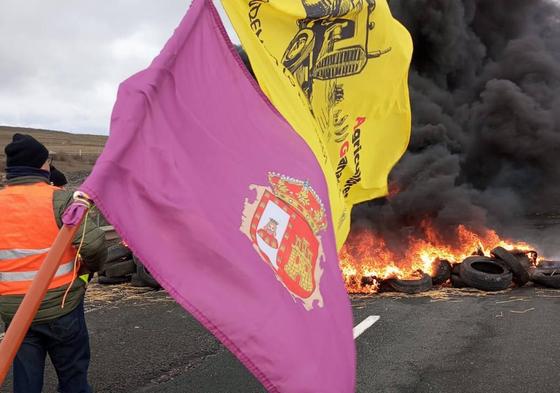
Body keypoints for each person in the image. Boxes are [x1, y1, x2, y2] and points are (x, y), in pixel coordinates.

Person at [0, 133, 107, 393]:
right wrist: (87, 269)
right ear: (40, 166)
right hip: (62, 305)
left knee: (25, 379)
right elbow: (93, 246)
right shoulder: (60, 199)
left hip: (15, 312)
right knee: (73, 375)